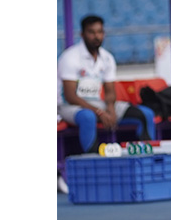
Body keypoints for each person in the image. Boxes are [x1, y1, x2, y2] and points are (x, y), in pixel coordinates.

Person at [57, 14, 157, 160]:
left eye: (99, 32)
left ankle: (147, 159)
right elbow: (70, 96)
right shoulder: (70, 57)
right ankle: (92, 161)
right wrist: (99, 112)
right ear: (82, 34)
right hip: (69, 106)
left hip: (97, 104)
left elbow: (110, 90)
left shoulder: (107, 58)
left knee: (145, 114)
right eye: (91, 32)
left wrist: (110, 108)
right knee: (88, 117)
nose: (96, 36)